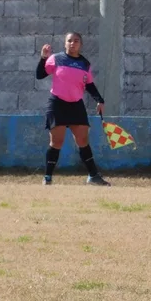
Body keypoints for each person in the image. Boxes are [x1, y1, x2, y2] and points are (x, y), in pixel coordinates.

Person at [36, 32, 110, 186]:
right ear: (65, 44)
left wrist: (99, 100)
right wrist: (43, 57)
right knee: (57, 141)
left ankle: (93, 176)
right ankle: (47, 177)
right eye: (69, 41)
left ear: (80, 44)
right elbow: (40, 75)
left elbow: (89, 84)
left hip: (76, 105)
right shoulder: (56, 58)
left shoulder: (85, 64)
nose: (72, 43)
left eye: (76, 41)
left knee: (83, 140)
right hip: (57, 103)